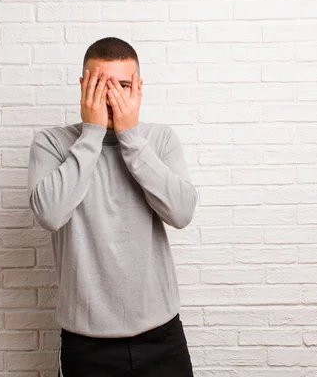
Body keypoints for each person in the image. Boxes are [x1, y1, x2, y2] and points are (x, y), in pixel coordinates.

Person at [27, 37, 197, 377]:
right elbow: (49, 214)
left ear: (138, 88)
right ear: (82, 86)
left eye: (121, 85)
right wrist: (91, 134)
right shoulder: (52, 143)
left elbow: (181, 212)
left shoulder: (159, 139)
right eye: (100, 85)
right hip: (87, 345)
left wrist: (130, 137)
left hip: (162, 336)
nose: (111, 97)